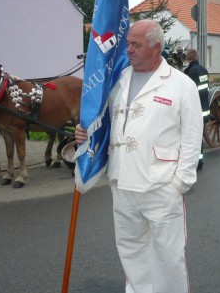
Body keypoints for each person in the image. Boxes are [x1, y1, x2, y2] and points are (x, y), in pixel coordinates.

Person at [75, 19, 203, 293]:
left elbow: (192, 138)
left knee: (169, 256)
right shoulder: (119, 79)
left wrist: (180, 183)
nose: (128, 49)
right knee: (132, 252)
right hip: (122, 182)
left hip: (161, 185)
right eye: (128, 43)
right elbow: (106, 123)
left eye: (136, 44)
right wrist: (86, 133)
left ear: (157, 47)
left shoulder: (181, 85)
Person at [184, 48, 210, 170]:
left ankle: (195, 162)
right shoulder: (204, 70)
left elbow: (187, 93)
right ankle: (200, 160)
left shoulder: (190, 72)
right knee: (199, 135)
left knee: (192, 136)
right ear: (197, 57)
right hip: (204, 108)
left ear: (188, 58)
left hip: (194, 109)